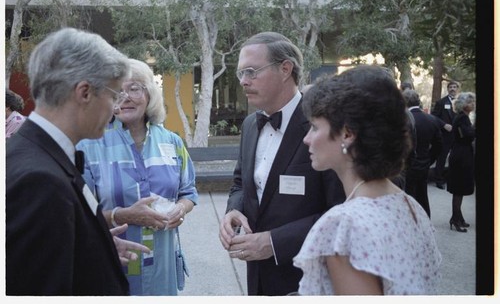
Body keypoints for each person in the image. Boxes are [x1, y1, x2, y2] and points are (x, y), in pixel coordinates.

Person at [6, 27, 151, 295]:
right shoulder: (39, 181)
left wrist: (92, 247)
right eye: (113, 94)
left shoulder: (38, 154)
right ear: (84, 92)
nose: (116, 107)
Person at [293, 65, 442, 295]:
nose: (306, 139)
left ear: (347, 133)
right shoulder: (410, 207)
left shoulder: (343, 227)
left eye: (314, 127)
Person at [218, 32, 345, 296]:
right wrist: (234, 211)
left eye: (251, 71)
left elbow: (342, 212)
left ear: (285, 69)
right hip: (257, 277)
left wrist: (274, 243)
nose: (243, 81)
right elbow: (241, 183)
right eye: (241, 73)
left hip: (309, 277)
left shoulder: (322, 125)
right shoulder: (250, 125)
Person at [77, 58, 198, 295]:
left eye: (134, 88)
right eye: (117, 90)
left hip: (163, 270)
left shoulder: (172, 142)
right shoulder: (88, 147)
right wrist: (121, 215)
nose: (126, 97)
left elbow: (189, 192)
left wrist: (181, 209)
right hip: (114, 266)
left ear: (149, 95)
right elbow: (78, 214)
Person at [402, 89, 443, 218]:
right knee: (422, 194)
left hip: (406, 165)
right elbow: (438, 145)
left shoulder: (404, 120)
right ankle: (424, 221)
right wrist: (429, 159)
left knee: (408, 196)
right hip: (424, 162)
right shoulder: (431, 119)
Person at [447, 92, 476, 233]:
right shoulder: (462, 118)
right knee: (459, 190)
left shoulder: (463, 117)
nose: (473, 104)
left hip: (461, 154)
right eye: (471, 102)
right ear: (464, 105)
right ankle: (455, 219)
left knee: (460, 189)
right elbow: (468, 135)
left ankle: (458, 217)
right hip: (461, 156)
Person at [431, 80, 460, 189]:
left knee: (456, 158)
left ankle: (452, 179)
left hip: (458, 135)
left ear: (457, 89)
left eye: (454, 87)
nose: (452, 89)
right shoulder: (441, 102)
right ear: (448, 89)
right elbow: (434, 117)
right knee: (442, 158)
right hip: (445, 135)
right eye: (450, 87)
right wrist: (444, 125)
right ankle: (438, 180)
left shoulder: (460, 102)